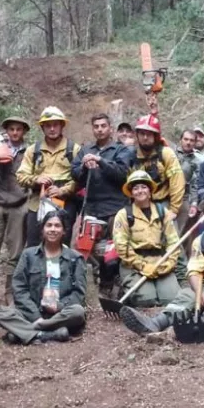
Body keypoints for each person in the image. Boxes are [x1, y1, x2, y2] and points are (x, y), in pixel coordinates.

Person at [119, 196, 204, 335]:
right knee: (188, 295)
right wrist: (199, 292)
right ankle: (156, 323)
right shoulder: (200, 241)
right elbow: (194, 271)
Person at [0, 210, 86, 344]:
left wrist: (59, 306)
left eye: (57, 226)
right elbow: (19, 288)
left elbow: (78, 293)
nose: (53, 229)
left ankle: (26, 332)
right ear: (43, 229)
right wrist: (35, 316)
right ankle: (48, 334)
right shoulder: (28, 255)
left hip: (61, 314)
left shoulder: (75, 258)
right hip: (31, 312)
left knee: (78, 311)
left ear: (64, 231)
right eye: (49, 225)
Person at [71, 113, 133, 294]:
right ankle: (91, 289)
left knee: (113, 251)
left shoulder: (121, 149)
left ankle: (111, 287)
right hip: (91, 208)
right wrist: (84, 166)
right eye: (96, 126)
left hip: (115, 209)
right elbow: (75, 175)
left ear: (110, 129)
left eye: (103, 126)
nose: (99, 130)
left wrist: (101, 161)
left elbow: (122, 174)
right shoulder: (85, 150)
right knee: (87, 250)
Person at [111, 171, 182, 307]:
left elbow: (173, 242)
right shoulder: (124, 215)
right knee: (146, 300)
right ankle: (125, 289)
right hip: (133, 265)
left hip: (160, 263)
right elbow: (121, 246)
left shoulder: (163, 212)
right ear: (131, 193)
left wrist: (168, 264)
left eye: (144, 187)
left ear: (150, 191)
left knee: (171, 299)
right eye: (135, 188)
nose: (140, 191)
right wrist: (142, 266)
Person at [0, 117, 30, 305]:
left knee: (16, 251)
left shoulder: (30, 152)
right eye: (11, 129)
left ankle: (11, 292)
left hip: (19, 203)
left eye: (19, 129)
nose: (15, 133)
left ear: (24, 131)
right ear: (6, 131)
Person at [16, 107, 80, 246]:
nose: (52, 129)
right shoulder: (33, 150)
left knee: (62, 246)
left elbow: (80, 179)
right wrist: (36, 179)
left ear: (62, 125)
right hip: (37, 204)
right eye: (48, 125)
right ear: (42, 127)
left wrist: (62, 190)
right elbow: (21, 175)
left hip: (65, 204)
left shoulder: (74, 150)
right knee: (34, 245)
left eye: (55, 125)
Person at [129, 114, 186, 218]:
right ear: (137, 135)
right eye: (142, 133)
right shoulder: (131, 156)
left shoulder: (166, 153)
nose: (145, 137)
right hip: (138, 202)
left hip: (162, 202)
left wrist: (174, 210)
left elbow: (177, 181)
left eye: (149, 134)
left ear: (155, 136)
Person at [175, 129, 202, 242]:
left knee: (180, 233)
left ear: (195, 143)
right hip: (166, 196)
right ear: (180, 140)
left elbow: (195, 184)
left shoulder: (196, 161)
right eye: (186, 139)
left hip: (184, 197)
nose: (188, 142)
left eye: (191, 140)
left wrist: (194, 203)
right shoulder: (171, 154)